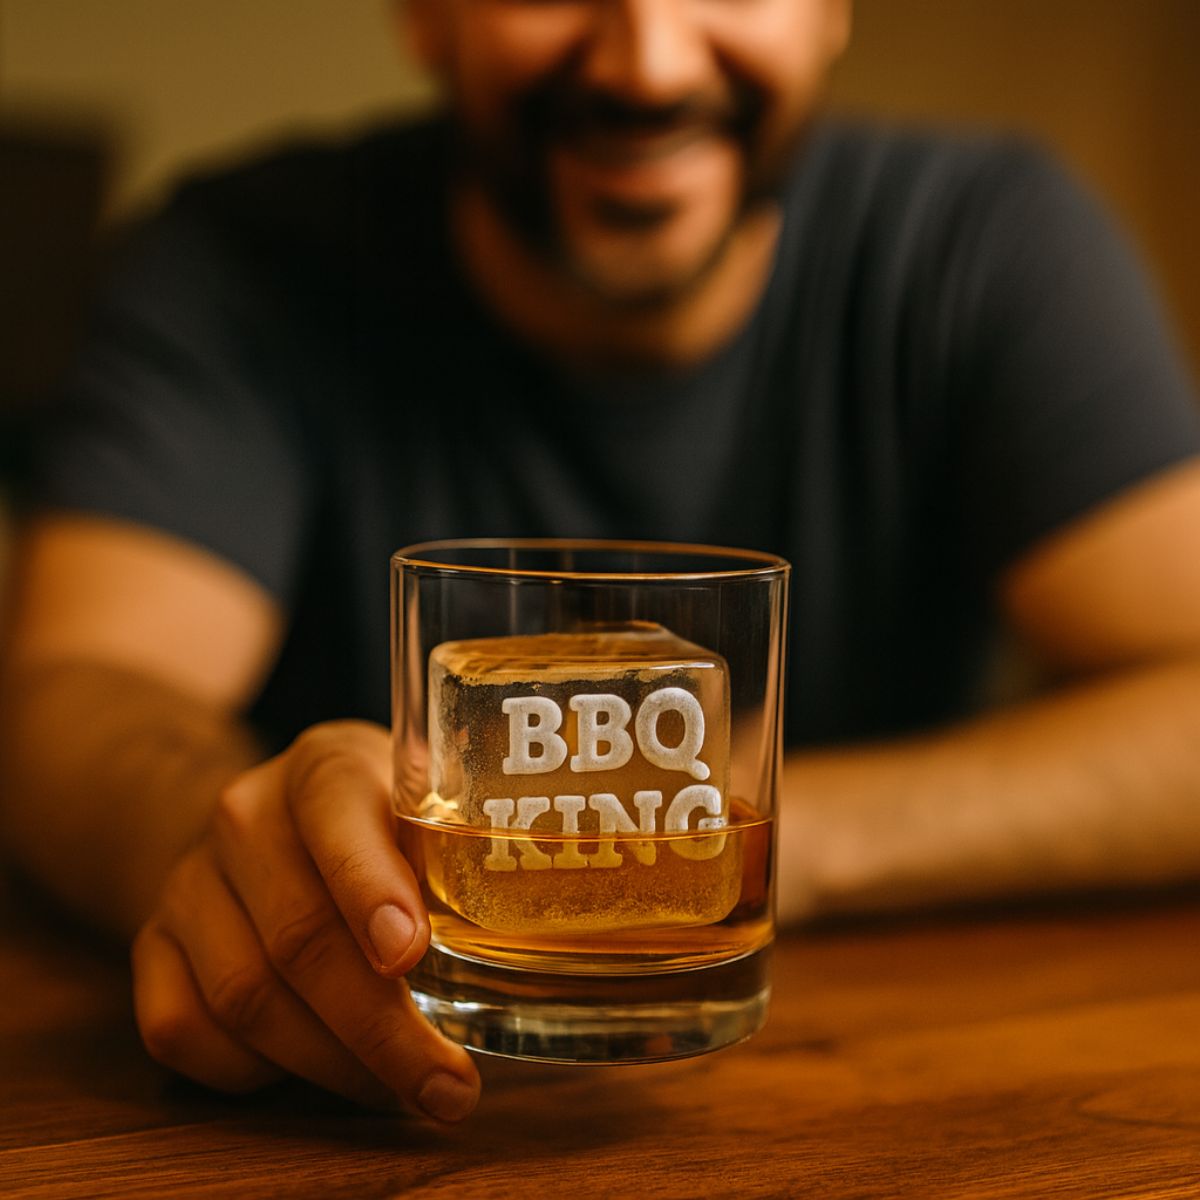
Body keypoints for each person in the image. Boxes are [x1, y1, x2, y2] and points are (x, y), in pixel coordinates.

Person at [3, 0, 1200, 1125]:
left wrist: (722, 849)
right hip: (366, 1102)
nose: (649, 65)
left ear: (833, 7)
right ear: (427, 12)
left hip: (839, 1101)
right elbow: (75, 690)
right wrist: (229, 859)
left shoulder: (987, 239)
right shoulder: (236, 258)